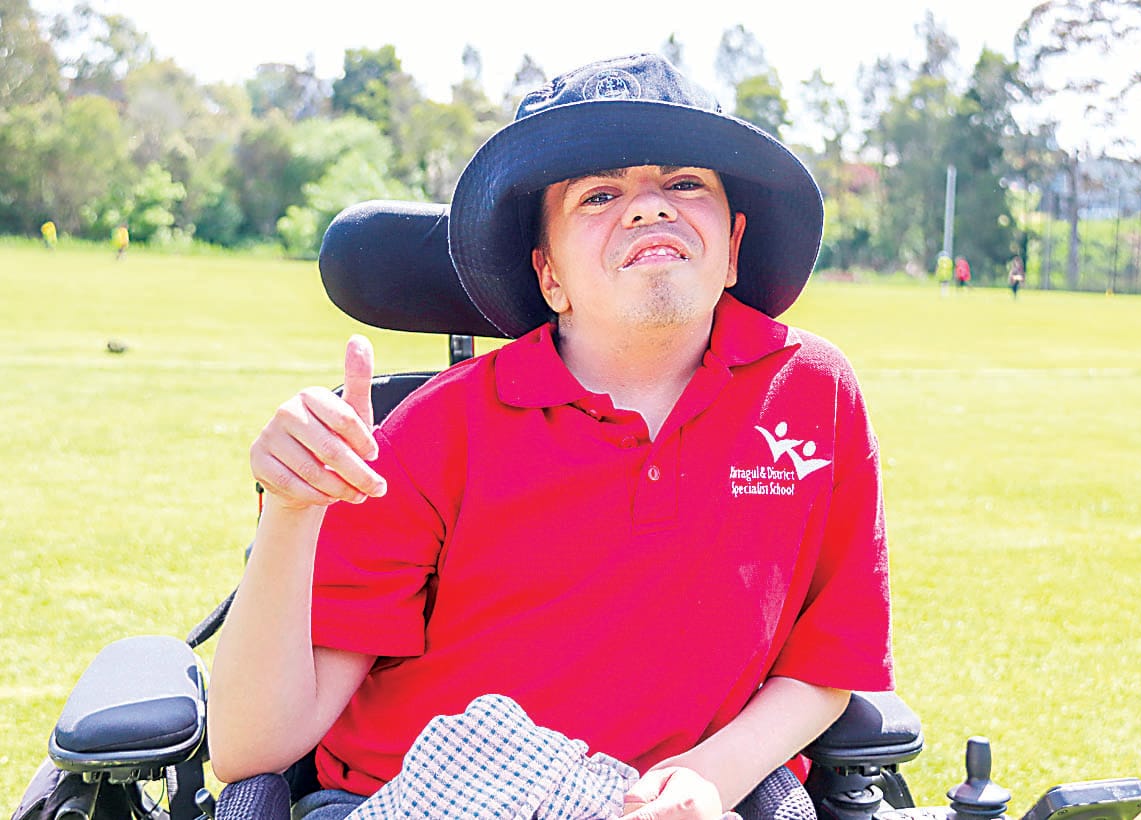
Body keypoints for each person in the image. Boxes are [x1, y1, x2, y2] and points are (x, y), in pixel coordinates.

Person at [208, 54, 893, 819]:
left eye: (684, 183)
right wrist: (292, 512)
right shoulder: (432, 433)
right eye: (597, 195)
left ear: (732, 245)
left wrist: (713, 771)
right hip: (421, 798)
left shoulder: (810, 393)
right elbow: (249, 748)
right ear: (549, 276)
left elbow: (830, 659)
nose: (646, 208)